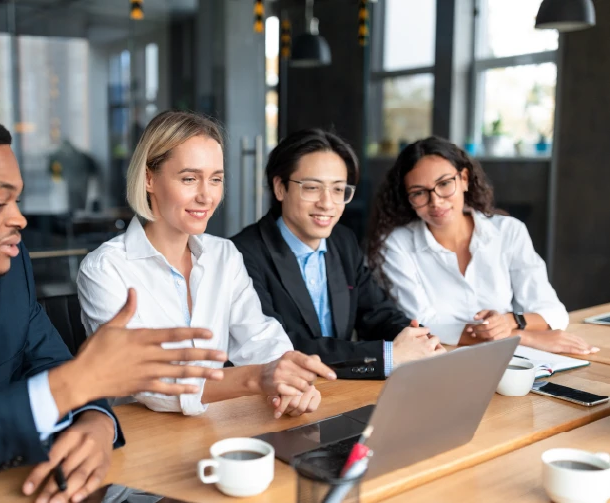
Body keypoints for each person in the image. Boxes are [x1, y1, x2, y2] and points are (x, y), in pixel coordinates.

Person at [0, 108, 228, 503]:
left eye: (17, 200)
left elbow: (55, 366)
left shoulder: (7, 269)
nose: (19, 219)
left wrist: (96, 423)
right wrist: (77, 384)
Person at [78, 111, 337, 420]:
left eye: (216, 179)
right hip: (138, 439)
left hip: (209, 428)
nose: (206, 196)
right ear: (149, 178)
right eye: (189, 178)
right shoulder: (104, 269)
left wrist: (291, 382)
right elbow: (149, 383)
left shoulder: (224, 255)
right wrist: (257, 378)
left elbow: (259, 337)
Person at [231, 129, 445, 380]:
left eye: (338, 190)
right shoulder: (242, 255)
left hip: (340, 391)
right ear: (280, 188)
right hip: (280, 396)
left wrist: (419, 340)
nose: (327, 203)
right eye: (312, 188)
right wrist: (389, 355)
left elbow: (377, 313)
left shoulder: (342, 241)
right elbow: (282, 347)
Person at [366, 136, 598, 355]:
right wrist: (523, 336)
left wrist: (509, 321)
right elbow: (423, 326)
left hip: (514, 360)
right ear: (407, 198)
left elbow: (554, 313)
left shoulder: (508, 231)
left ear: (464, 179)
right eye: (419, 193)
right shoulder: (396, 245)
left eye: (445, 184)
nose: (436, 201)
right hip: (440, 362)